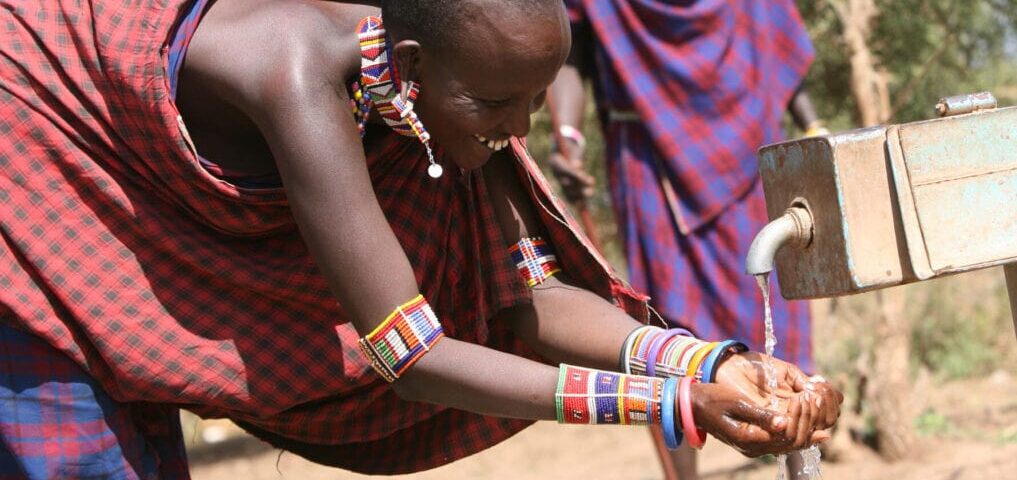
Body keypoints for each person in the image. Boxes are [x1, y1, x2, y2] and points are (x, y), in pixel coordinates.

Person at [0, 0, 842, 477]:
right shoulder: (296, 76)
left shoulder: (444, 88)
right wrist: (666, 401)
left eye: (535, 103)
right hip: (36, 174)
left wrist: (706, 362)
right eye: (493, 106)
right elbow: (411, 356)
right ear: (406, 69)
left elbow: (531, 297)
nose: (517, 131)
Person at [546, 1, 828, 478]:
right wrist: (567, 135)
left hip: (751, 148)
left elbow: (773, 42)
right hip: (653, 156)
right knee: (665, 322)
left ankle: (802, 465)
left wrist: (815, 129)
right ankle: (682, 476)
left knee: (773, 314)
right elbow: (574, 50)